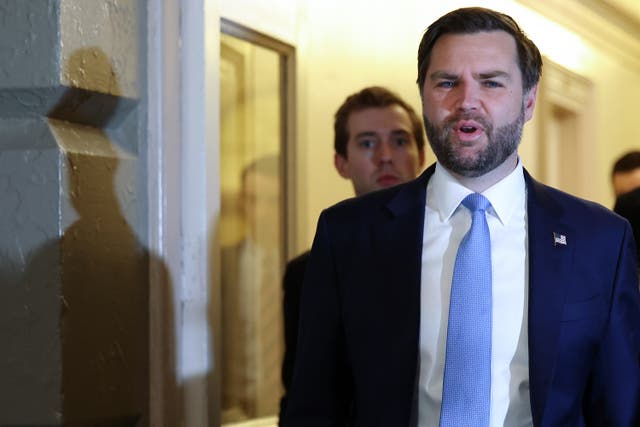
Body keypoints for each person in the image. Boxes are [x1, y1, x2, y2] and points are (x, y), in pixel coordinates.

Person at [284, 7, 640, 427]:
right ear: (423, 96)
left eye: (491, 82)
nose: (466, 101)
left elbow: (620, 408)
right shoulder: (348, 235)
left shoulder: (599, 239)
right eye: (447, 82)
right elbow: (314, 403)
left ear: (528, 100)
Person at [279, 86, 426, 423]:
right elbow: (304, 392)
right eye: (367, 143)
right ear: (341, 163)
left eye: (400, 141)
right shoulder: (307, 271)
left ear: (421, 156)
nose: (386, 155)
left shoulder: (461, 251)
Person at [221, 155, 284, 422]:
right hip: (236, 413)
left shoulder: (309, 266)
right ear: (241, 203)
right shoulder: (222, 266)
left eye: (272, 201)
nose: (263, 211)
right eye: (253, 199)